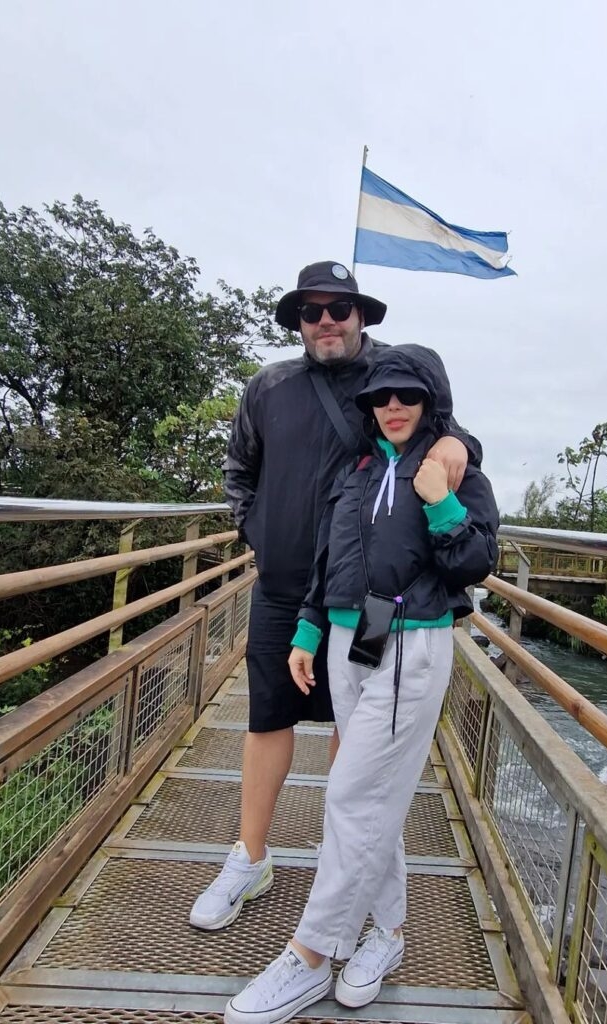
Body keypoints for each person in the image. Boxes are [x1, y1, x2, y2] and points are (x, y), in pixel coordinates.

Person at [189, 262, 480, 932]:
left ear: (362, 316)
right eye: (311, 310)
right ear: (296, 321)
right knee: (267, 716)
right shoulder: (268, 387)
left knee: (358, 720)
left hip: (374, 599)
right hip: (287, 586)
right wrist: (256, 528)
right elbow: (241, 467)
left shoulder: (393, 377)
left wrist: (457, 446)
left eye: (339, 308)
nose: (326, 321)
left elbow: (454, 439)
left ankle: (341, 859)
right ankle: (250, 856)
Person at [224, 344, 499, 1024]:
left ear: (430, 400)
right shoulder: (359, 469)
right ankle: (388, 934)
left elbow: (475, 561)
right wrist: (310, 629)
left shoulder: (454, 471)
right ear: (368, 408)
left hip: (411, 637)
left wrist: (437, 503)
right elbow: (330, 558)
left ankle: (311, 954)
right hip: (355, 632)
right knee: (374, 798)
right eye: (381, 397)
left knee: (349, 793)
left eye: (407, 395)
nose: (393, 406)